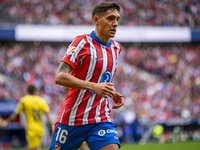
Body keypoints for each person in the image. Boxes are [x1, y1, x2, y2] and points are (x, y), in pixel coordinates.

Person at [49, 2, 124, 150]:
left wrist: (112, 93)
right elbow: (60, 77)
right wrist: (94, 87)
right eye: (110, 19)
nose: (115, 24)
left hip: (100, 117)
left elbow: (100, 79)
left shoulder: (116, 48)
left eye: (117, 19)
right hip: (72, 119)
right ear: (96, 20)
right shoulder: (81, 42)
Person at [2, 84, 53, 150]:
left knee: (36, 148)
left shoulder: (24, 100)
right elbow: (48, 115)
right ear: (35, 91)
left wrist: (7, 121)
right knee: (31, 147)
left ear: (27, 91)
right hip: (40, 128)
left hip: (31, 129)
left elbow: (16, 114)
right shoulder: (41, 100)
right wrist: (52, 125)